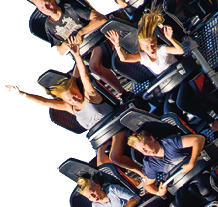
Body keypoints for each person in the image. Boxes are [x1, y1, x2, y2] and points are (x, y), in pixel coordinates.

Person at [5, 44, 134, 169]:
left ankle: (143, 175)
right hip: (102, 137)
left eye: (75, 94)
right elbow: (45, 102)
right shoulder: (70, 108)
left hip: (116, 127)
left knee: (115, 157)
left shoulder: (89, 96)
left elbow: (85, 77)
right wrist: (22, 94)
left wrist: (77, 56)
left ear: (78, 90)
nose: (74, 98)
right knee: (101, 164)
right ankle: (131, 181)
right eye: (70, 98)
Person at [27, 0, 121, 96]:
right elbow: (60, 50)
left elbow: (101, 19)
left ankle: (123, 93)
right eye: (41, 7)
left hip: (97, 43)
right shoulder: (49, 26)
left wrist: (81, 32)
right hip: (80, 54)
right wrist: (65, 45)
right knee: (73, 84)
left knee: (94, 66)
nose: (46, 9)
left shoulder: (70, 8)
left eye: (47, 3)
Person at [107, 9, 190, 79]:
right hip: (166, 82)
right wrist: (117, 45)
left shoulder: (161, 49)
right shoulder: (143, 57)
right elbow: (124, 58)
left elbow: (180, 51)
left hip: (180, 76)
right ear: (141, 47)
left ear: (156, 42)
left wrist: (170, 39)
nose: (151, 49)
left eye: (153, 44)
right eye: (146, 47)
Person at [125, 127, 206, 197]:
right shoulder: (150, 163)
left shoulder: (169, 143)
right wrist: (158, 192)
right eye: (140, 151)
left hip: (200, 171)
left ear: (151, 139)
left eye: (144, 147)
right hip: (181, 184)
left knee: (204, 190)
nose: (144, 151)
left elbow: (198, 139)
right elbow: (148, 185)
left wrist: (192, 162)